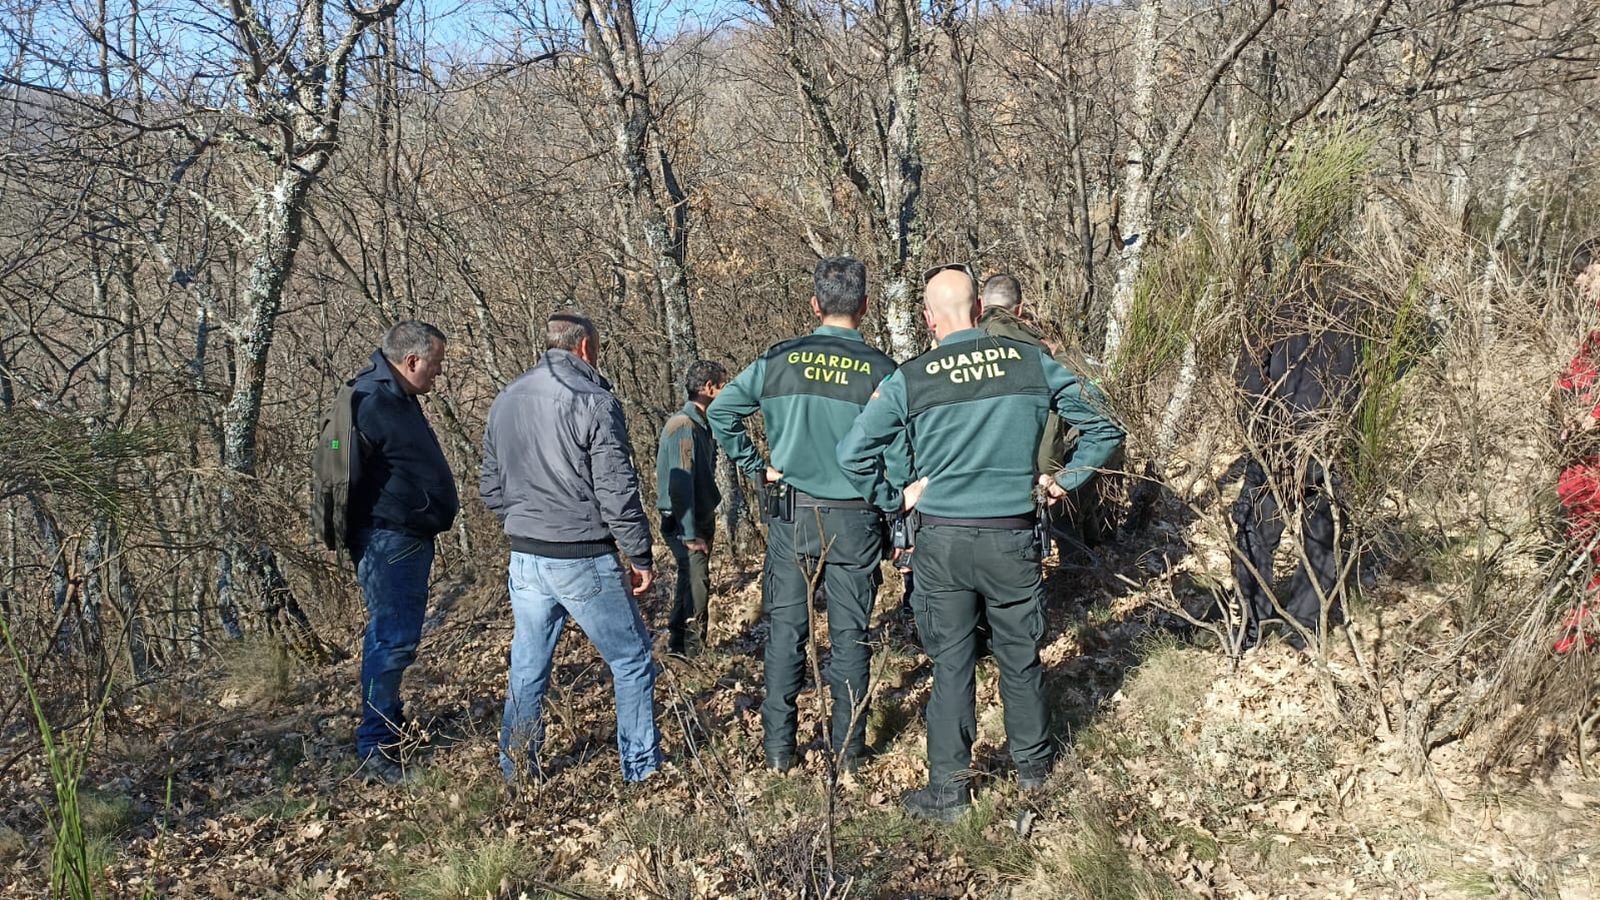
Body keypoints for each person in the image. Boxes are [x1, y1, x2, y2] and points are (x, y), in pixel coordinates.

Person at [838, 266, 1124, 821]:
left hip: (941, 542)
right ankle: (1036, 776)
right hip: (1011, 535)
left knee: (951, 663)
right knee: (1020, 657)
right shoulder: (1031, 361)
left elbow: (852, 454)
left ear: (928, 319)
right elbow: (1105, 426)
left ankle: (949, 793)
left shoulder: (911, 377)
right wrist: (1063, 480)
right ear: (978, 311)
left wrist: (894, 497)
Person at [707, 257, 899, 773]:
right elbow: (902, 449)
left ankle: (778, 751)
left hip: (792, 514)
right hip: (856, 517)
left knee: (787, 631)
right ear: (864, 305)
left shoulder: (778, 361)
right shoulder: (883, 371)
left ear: (814, 305)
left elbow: (722, 411)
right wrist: (893, 503)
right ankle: (850, 752)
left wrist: (756, 466)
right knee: (851, 633)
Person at [480, 313, 662, 784]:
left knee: (527, 667)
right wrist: (639, 555)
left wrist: (520, 523)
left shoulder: (505, 398)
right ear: (584, 349)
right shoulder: (594, 401)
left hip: (525, 557)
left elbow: (490, 486)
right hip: (581, 555)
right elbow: (617, 490)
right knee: (632, 661)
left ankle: (518, 771)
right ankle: (641, 773)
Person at [347, 320, 461, 783]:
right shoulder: (374, 402)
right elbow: (352, 479)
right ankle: (376, 745)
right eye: (435, 364)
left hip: (398, 539)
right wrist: (379, 528)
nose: (438, 374)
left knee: (388, 637)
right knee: (392, 641)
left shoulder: (394, 396)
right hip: (389, 542)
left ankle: (388, 725)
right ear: (411, 361)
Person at [1232, 281, 1361, 652]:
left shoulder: (1273, 306)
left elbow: (1249, 383)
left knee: (1256, 531)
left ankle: (1254, 628)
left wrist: (1259, 436)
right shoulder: (1360, 312)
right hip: (1325, 441)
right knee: (1318, 533)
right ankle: (1304, 630)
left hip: (1283, 442)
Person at [976, 274, 1119, 550]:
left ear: (980, 304)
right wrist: (1060, 478)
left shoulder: (954, 348)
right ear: (1018, 311)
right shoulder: (1039, 357)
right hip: (1034, 480)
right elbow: (1101, 422)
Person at [656, 360, 729, 656]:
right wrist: (688, 534)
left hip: (699, 519)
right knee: (698, 585)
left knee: (689, 580)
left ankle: (677, 647)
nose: (728, 391)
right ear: (709, 388)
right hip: (684, 523)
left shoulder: (702, 425)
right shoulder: (683, 427)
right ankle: (694, 651)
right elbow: (680, 485)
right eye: (724, 386)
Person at [1551, 238, 1600, 655]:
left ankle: (1582, 633)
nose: (1579, 282)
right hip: (1585, 459)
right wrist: (1563, 404)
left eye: (1586, 272)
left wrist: (1593, 417)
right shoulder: (1595, 331)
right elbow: (1574, 379)